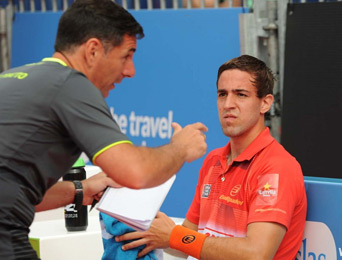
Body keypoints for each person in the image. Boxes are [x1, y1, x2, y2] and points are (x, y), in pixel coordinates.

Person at [0, 0, 207, 258]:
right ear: (93, 50)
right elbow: (136, 174)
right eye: (126, 55)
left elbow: (19, 193)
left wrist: (82, 190)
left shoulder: (15, 79)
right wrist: (180, 148)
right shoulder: (71, 85)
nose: (130, 71)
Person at [116, 55, 307, 259]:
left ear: (265, 103)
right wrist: (146, 228)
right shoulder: (214, 160)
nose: (228, 104)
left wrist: (175, 236)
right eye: (222, 94)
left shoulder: (277, 167)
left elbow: (256, 254)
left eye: (241, 95)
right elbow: (187, 242)